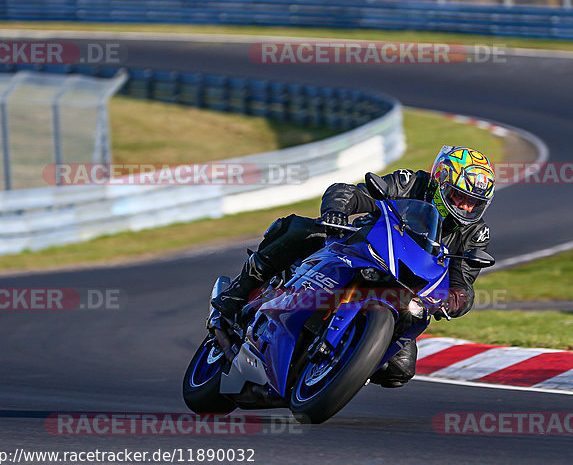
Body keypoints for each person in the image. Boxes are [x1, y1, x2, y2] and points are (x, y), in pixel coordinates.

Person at [212, 145, 496, 388]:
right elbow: (353, 193)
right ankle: (239, 291)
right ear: (441, 182)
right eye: (461, 198)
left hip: (407, 289)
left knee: (399, 370)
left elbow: (463, 283)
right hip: (365, 250)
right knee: (302, 230)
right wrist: (338, 209)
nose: (466, 208)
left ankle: (339, 364)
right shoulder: (412, 183)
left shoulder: (475, 233)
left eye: (474, 203)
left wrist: (453, 301)